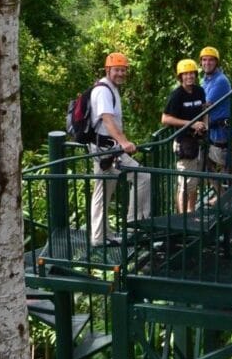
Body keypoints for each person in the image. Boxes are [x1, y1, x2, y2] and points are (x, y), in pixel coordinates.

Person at [88, 52, 151, 246]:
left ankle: (104, 234)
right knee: (142, 177)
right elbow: (107, 119)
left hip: (109, 147)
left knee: (106, 190)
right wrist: (124, 142)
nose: (121, 73)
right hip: (105, 149)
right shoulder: (103, 91)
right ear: (108, 70)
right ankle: (131, 226)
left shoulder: (111, 89)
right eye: (117, 70)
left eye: (123, 70)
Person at [161, 58, 207, 213]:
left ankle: (191, 212)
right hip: (184, 142)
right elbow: (165, 119)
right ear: (180, 76)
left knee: (194, 182)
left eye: (192, 73)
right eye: (186, 74)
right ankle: (181, 218)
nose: (189, 77)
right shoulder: (177, 95)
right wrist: (191, 123)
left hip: (198, 140)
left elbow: (204, 110)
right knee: (185, 183)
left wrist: (204, 124)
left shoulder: (199, 91)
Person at [199, 45, 232, 174]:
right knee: (206, 168)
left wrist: (184, 107)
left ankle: (231, 193)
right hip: (210, 130)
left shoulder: (220, 81)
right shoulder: (205, 80)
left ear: (216, 62)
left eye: (211, 60)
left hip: (221, 132)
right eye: (204, 60)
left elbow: (205, 104)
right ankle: (222, 193)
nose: (207, 63)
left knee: (225, 168)